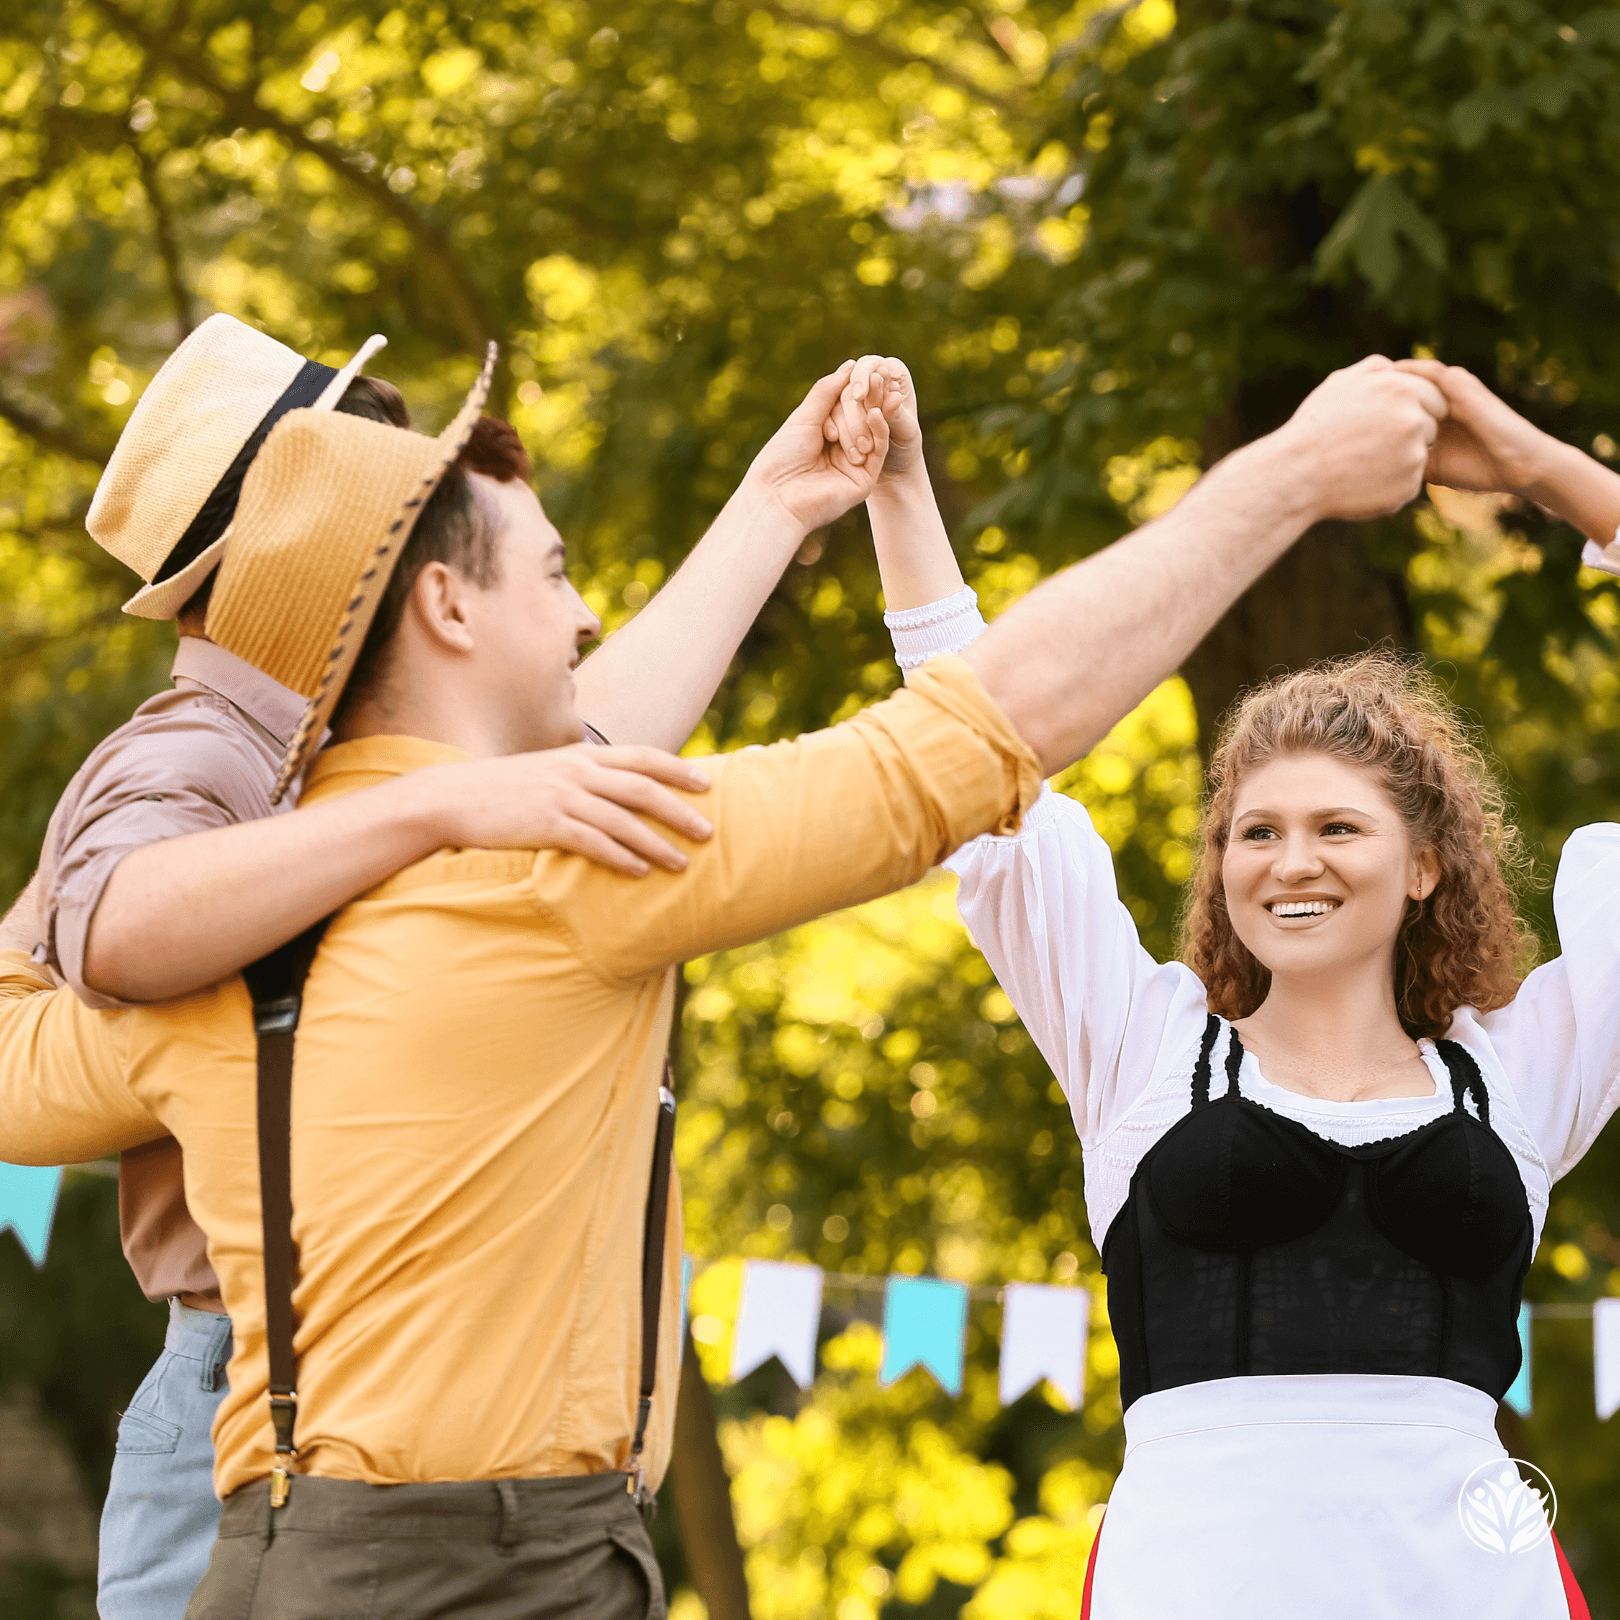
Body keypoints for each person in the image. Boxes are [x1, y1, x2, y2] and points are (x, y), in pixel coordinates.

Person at [0, 346, 1442, 1617]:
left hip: (271, 1560)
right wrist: (1289, 475)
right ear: (443, 604)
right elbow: (994, 725)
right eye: (555, 576)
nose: (583, 619)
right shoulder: (557, 866)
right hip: (496, 1571)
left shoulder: (233, 932)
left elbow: (33, 1046)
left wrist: (772, 511)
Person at [0, 309, 869, 1620]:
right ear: (290, 534)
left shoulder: (337, 736)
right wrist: (437, 807)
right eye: (384, 483)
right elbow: (119, 927)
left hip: (372, 1389)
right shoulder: (202, 743)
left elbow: (587, 742)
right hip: (258, 1390)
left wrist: (773, 508)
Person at [862, 352, 1620, 1617]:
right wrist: (900, 490)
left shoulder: (1518, 1076)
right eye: (1255, 831)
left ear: (1426, 864)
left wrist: (1544, 470)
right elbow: (978, 775)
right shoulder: (1143, 1050)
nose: (1290, 861)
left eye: (1338, 828)